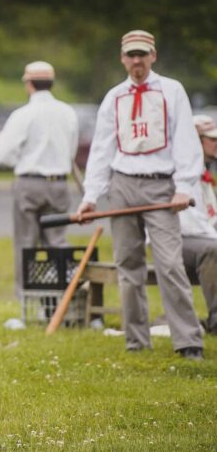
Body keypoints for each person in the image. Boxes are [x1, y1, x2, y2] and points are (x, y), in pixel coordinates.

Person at [77, 30, 204, 359]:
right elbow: (102, 148)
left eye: (142, 54)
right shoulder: (114, 97)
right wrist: (91, 195)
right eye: (131, 55)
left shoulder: (172, 91)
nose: (136, 61)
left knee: (170, 264)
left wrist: (184, 187)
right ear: (122, 58)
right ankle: (136, 340)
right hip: (123, 185)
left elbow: (186, 141)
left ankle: (188, 341)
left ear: (153, 56)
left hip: (161, 185)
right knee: (128, 265)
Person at [0, 61, 79, 305]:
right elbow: (71, 151)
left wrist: (22, 160)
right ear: (51, 83)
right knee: (57, 243)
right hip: (59, 183)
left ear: (28, 85)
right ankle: (61, 298)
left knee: (26, 245)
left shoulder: (23, 115)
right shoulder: (67, 112)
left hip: (30, 182)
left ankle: (27, 302)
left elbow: (2, 154)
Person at [178, 114, 217, 334]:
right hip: (180, 239)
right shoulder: (184, 172)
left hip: (201, 234)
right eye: (212, 139)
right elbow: (189, 223)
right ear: (197, 141)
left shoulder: (204, 170)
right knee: (212, 249)